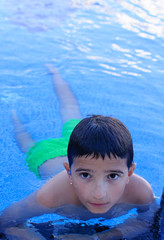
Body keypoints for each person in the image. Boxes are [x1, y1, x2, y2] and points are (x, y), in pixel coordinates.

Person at [0, 65, 155, 239]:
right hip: (47, 156)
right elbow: (5, 221)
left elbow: (147, 221)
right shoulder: (50, 196)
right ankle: (14, 116)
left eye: (112, 176)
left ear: (130, 173)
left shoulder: (141, 192)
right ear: (69, 172)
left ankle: (56, 74)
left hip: (84, 149)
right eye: (85, 175)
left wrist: (96, 238)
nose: (99, 193)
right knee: (27, 144)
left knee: (71, 110)